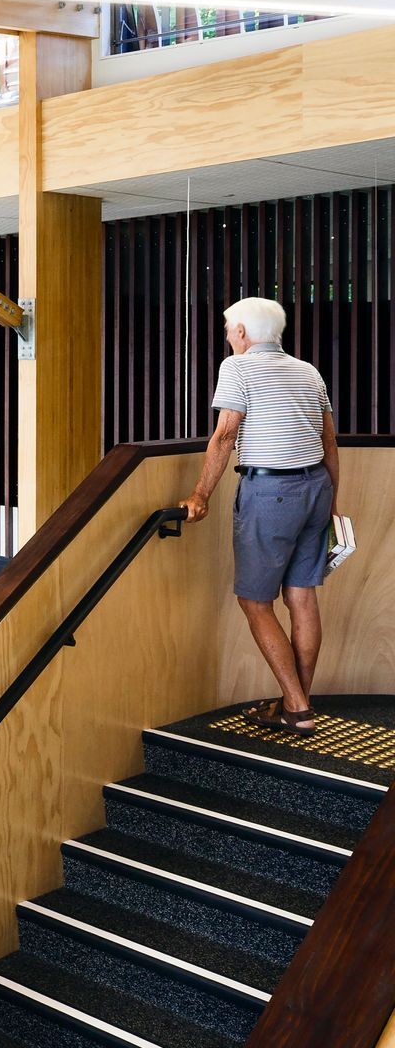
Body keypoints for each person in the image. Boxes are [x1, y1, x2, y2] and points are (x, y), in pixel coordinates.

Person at [180, 296, 339, 736]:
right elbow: (329, 442)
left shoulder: (238, 367)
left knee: (255, 600)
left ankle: (297, 707)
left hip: (272, 493)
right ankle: (297, 703)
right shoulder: (309, 371)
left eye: (230, 329)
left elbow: (225, 433)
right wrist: (332, 504)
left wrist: (199, 495)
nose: (229, 336)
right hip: (316, 490)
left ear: (244, 333)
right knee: (302, 596)